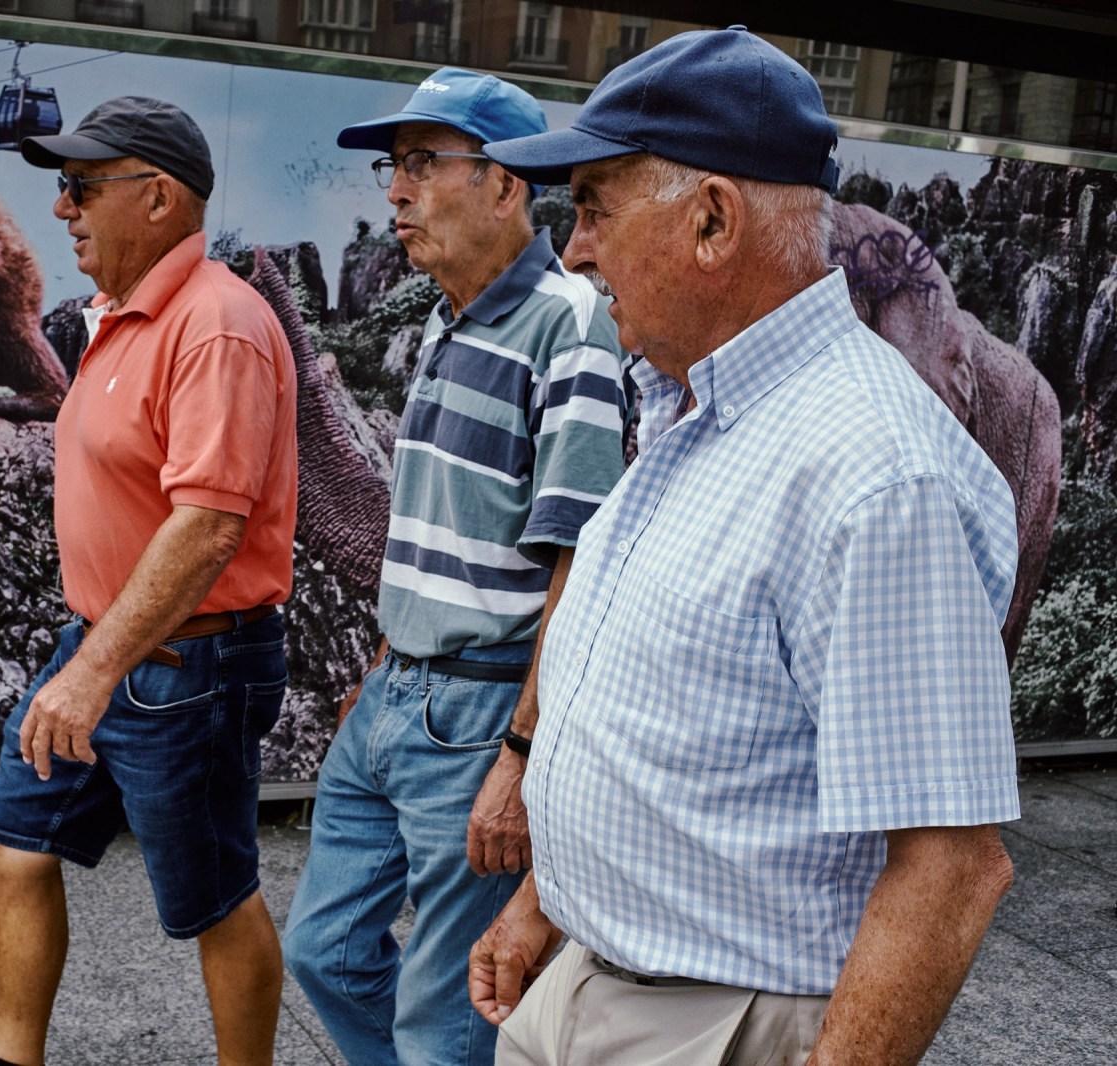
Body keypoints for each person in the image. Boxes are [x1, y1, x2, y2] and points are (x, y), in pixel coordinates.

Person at [469, 26, 1021, 1066]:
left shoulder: (872, 472)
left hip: (718, 1025)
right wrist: (546, 907)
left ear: (714, 219)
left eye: (592, 206)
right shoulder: (694, 408)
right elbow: (659, 721)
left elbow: (950, 865)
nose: (574, 248)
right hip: (592, 979)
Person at [282, 68, 628, 1066]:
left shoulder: (569, 324)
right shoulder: (445, 319)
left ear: (507, 183)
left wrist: (521, 757)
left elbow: (579, 568)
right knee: (321, 951)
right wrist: (386, 667)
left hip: (479, 718)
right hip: (395, 696)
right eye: (394, 165)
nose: (394, 189)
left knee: (446, 1021)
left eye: (423, 163)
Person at [0, 96, 298, 1066]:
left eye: (79, 186)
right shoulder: (117, 318)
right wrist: (91, 659)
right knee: (11, 843)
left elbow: (206, 526)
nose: (62, 209)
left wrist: (93, 668)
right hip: (107, 647)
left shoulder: (220, 324)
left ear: (155, 199)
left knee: (213, 900)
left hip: (187, 665)